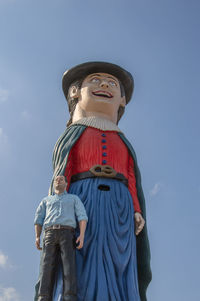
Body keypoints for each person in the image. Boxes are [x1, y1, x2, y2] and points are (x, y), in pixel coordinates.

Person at [35, 61, 152, 301]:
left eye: (112, 84)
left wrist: (137, 210)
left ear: (122, 100)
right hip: (81, 197)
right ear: (75, 92)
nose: (104, 85)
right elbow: (62, 171)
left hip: (120, 205)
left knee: (120, 259)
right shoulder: (73, 134)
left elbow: (130, 176)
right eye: (95, 80)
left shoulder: (123, 141)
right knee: (80, 256)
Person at [34, 175, 88, 301]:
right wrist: (37, 236)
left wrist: (82, 234)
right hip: (49, 234)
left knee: (69, 265)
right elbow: (38, 218)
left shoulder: (73, 199)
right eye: (56, 179)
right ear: (53, 184)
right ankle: (43, 297)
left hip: (67, 233)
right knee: (46, 267)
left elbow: (82, 216)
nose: (58, 180)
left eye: (61, 179)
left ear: (66, 183)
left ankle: (69, 297)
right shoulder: (46, 200)